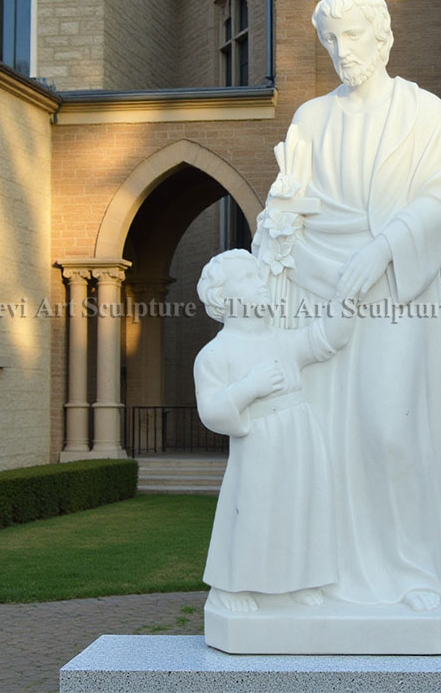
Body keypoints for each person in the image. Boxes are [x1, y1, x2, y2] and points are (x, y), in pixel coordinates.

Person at [253, 0, 441, 612]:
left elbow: (437, 204)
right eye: (331, 40)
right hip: (321, 290)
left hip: (396, 291)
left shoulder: (424, 112)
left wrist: (383, 249)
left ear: (383, 38)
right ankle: (322, 573)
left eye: (352, 36)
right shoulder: (310, 120)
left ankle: (413, 571)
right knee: (323, 438)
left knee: (389, 430)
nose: (342, 51)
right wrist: (280, 217)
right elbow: (284, 209)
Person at [193, 249, 354, 613]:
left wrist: (347, 295)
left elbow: (329, 338)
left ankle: (295, 580)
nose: (261, 283)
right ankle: (234, 586)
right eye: (248, 278)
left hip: (300, 437)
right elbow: (212, 411)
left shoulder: (282, 339)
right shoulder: (215, 354)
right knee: (255, 513)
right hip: (260, 443)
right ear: (223, 297)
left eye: (259, 275)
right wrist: (249, 387)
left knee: (300, 509)